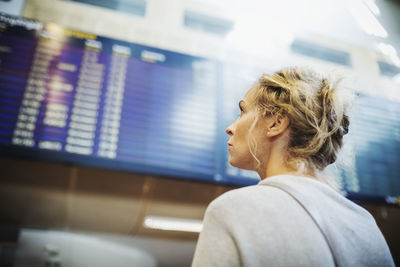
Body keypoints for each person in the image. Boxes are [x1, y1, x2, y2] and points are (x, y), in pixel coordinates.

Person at [191, 67, 395, 267]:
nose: (230, 128)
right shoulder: (364, 224)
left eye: (243, 111)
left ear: (276, 123)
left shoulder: (233, 209)